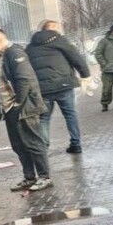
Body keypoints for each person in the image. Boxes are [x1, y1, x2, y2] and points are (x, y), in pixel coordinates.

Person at [0, 28, 52, 192]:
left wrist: (18, 104)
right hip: (10, 109)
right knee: (19, 145)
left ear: (1, 39)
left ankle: (44, 176)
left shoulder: (14, 53)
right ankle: (29, 177)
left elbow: (25, 80)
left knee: (33, 142)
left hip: (24, 108)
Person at [27, 20, 92, 154]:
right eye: (57, 28)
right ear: (51, 29)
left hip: (43, 89)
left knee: (44, 118)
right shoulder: (60, 40)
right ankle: (76, 144)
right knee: (70, 114)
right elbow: (76, 58)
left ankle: (44, 148)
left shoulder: (30, 47)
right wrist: (85, 75)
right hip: (64, 84)